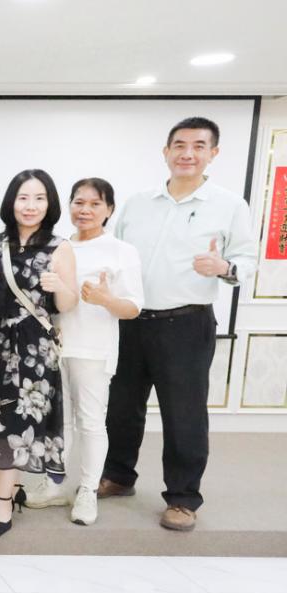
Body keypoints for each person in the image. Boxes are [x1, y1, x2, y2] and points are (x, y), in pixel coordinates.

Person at [102, 117, 257, 532]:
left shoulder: (229, 205)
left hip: (186, 324)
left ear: (213, 154)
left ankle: (183, 498)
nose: (188, 154)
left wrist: (224, 267)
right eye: (180, 145)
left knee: (183, 415)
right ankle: (118, 475)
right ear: (166, 151)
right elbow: (115, 254)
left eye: (199, 146)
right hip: (131, 321)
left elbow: (247, 259)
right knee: (121, 407)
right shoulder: (138, 203)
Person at [0, 169, 78, 537]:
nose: (30, 206)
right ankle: (12, 490)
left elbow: (67, 304)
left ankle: (2, 501)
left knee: (18, 421)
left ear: (50, 204)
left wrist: (58, 285)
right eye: (23, 198)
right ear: (11, 202)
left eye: (39, 198)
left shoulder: (60, 247)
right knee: (1, 418)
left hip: (34, 349)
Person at [47, 178, 143, 526]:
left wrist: (105, 299)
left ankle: (87, 490)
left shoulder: (121, 250)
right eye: (78, 202)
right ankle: (53, 484)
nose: (84, 210)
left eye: (94, 203)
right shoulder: (58, 246)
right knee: (58, 421)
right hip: (54, 346)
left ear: (109, 209)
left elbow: (133, 307)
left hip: (93, 348)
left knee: (89, 420)